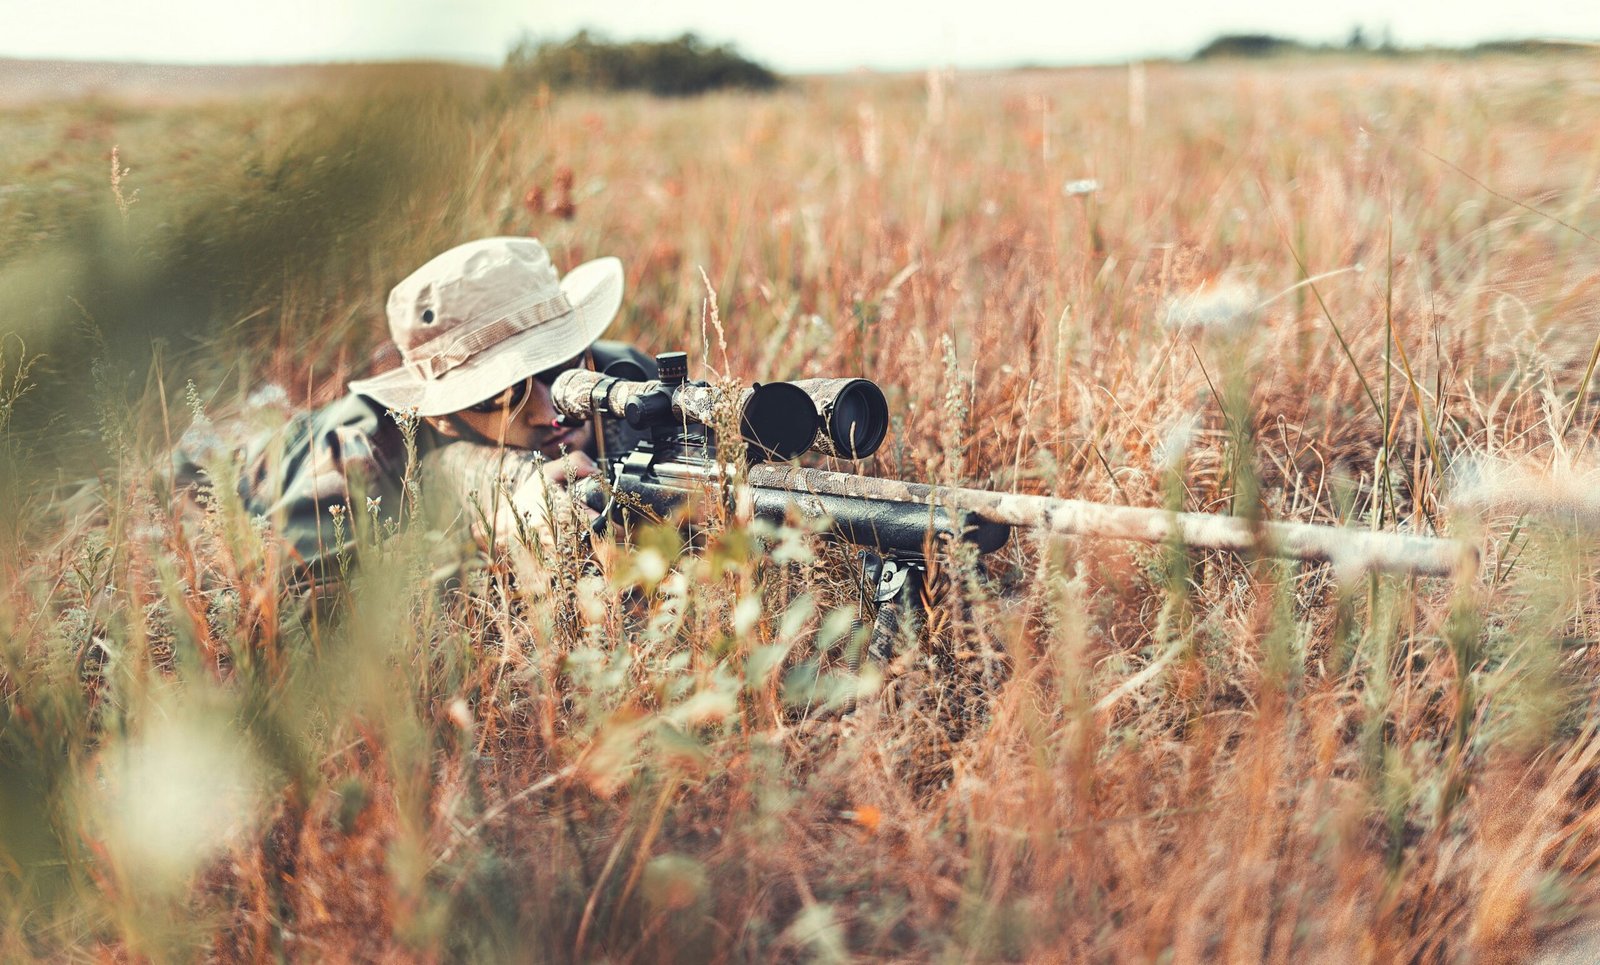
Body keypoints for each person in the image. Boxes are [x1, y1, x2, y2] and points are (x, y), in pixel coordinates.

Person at [180, 237, 653, 584]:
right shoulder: (360, 455)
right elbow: (277, 602)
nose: (550, 410)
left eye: (562, 365)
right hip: (258, 457)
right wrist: (479, 536)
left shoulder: (620, 376)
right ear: (441, 416)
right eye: (501, 393)